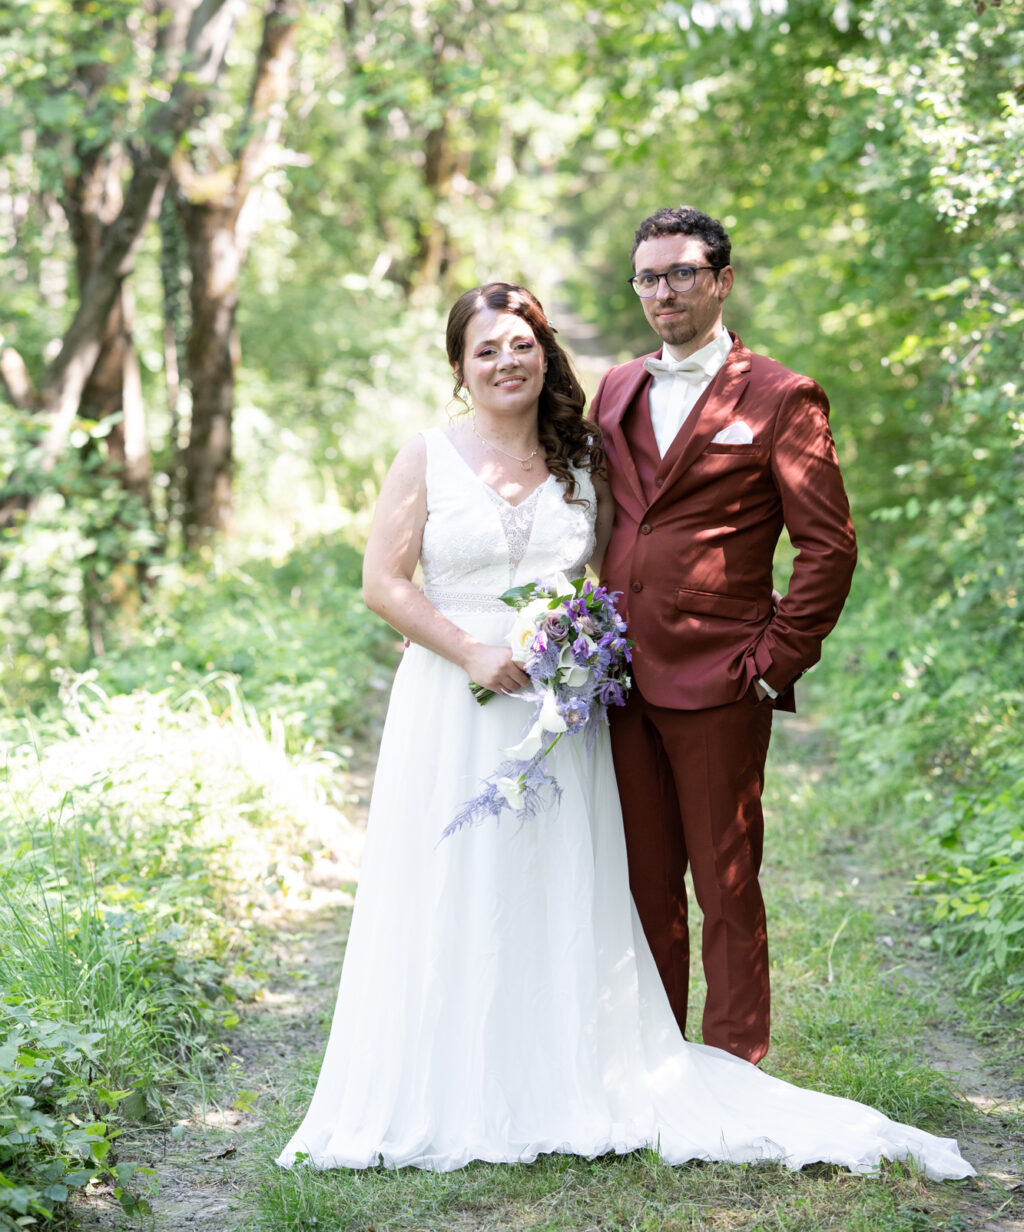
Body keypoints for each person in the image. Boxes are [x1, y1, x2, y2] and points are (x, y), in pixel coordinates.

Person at [277, 280, 970, 1179]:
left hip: (566, 709)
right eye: (485, 350)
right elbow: (385, 581)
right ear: (459, 368)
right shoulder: (426, 458)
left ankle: (570, 1063)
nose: (506, 362)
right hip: (452, 703)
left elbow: (621, 569)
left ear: (545, 352)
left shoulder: (583, 459)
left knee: (562, 884)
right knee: (447, 883)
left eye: (521, 344)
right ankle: (444, 1074)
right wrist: (472, 652)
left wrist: (604, 647)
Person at [590, 206, 859, 1067]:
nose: (662, 291)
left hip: (722, 678)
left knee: (726, 884)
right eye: (648, 277)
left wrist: (772, 665)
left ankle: (736, 1065)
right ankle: (657, 1058)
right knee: (643, 883)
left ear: (722, 280)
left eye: (680, 274)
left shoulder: (783, 397)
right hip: (619, 676)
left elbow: (828, 546)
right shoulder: (617, 387)